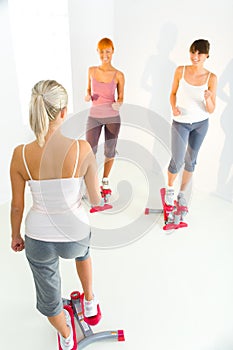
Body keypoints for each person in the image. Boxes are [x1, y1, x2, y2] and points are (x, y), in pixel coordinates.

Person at [10, 80, 103, 350]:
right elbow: (95, 198)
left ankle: (66, 337)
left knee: (49, 295)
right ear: (63, 113)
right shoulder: (82, 149)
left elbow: (17, 206)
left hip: (38, 237)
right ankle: (89, 301)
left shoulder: (20, 155)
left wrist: (16, 235)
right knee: (83, 252)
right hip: (74, 233)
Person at [165, 39, 217, 207]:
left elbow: (210, 109)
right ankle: (170, 189)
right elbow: (172, 93)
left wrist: (208, 98)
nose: (195, 56)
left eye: (199, 53)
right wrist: (173, 107)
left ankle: (181, 193)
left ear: (206, 55)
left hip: (201, 124)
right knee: (177, 160)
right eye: (192, 52)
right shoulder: (180, 70)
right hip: (181, 123)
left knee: (191, 160)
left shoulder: (211, 77)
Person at [85, 37, 125, 192]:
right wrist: (87, 96)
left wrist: (118, 103)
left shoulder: (119, 75)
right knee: (90, 150)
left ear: (113, 51)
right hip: (94, 115)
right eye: (102, 52)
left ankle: (105, 181)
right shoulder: (91, 71)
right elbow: (88, 90)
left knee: (109, 150)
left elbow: (121, 96)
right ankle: (91, 181)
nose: (104, 55)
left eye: (107, 51)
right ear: (98, 52)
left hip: (112, 117)